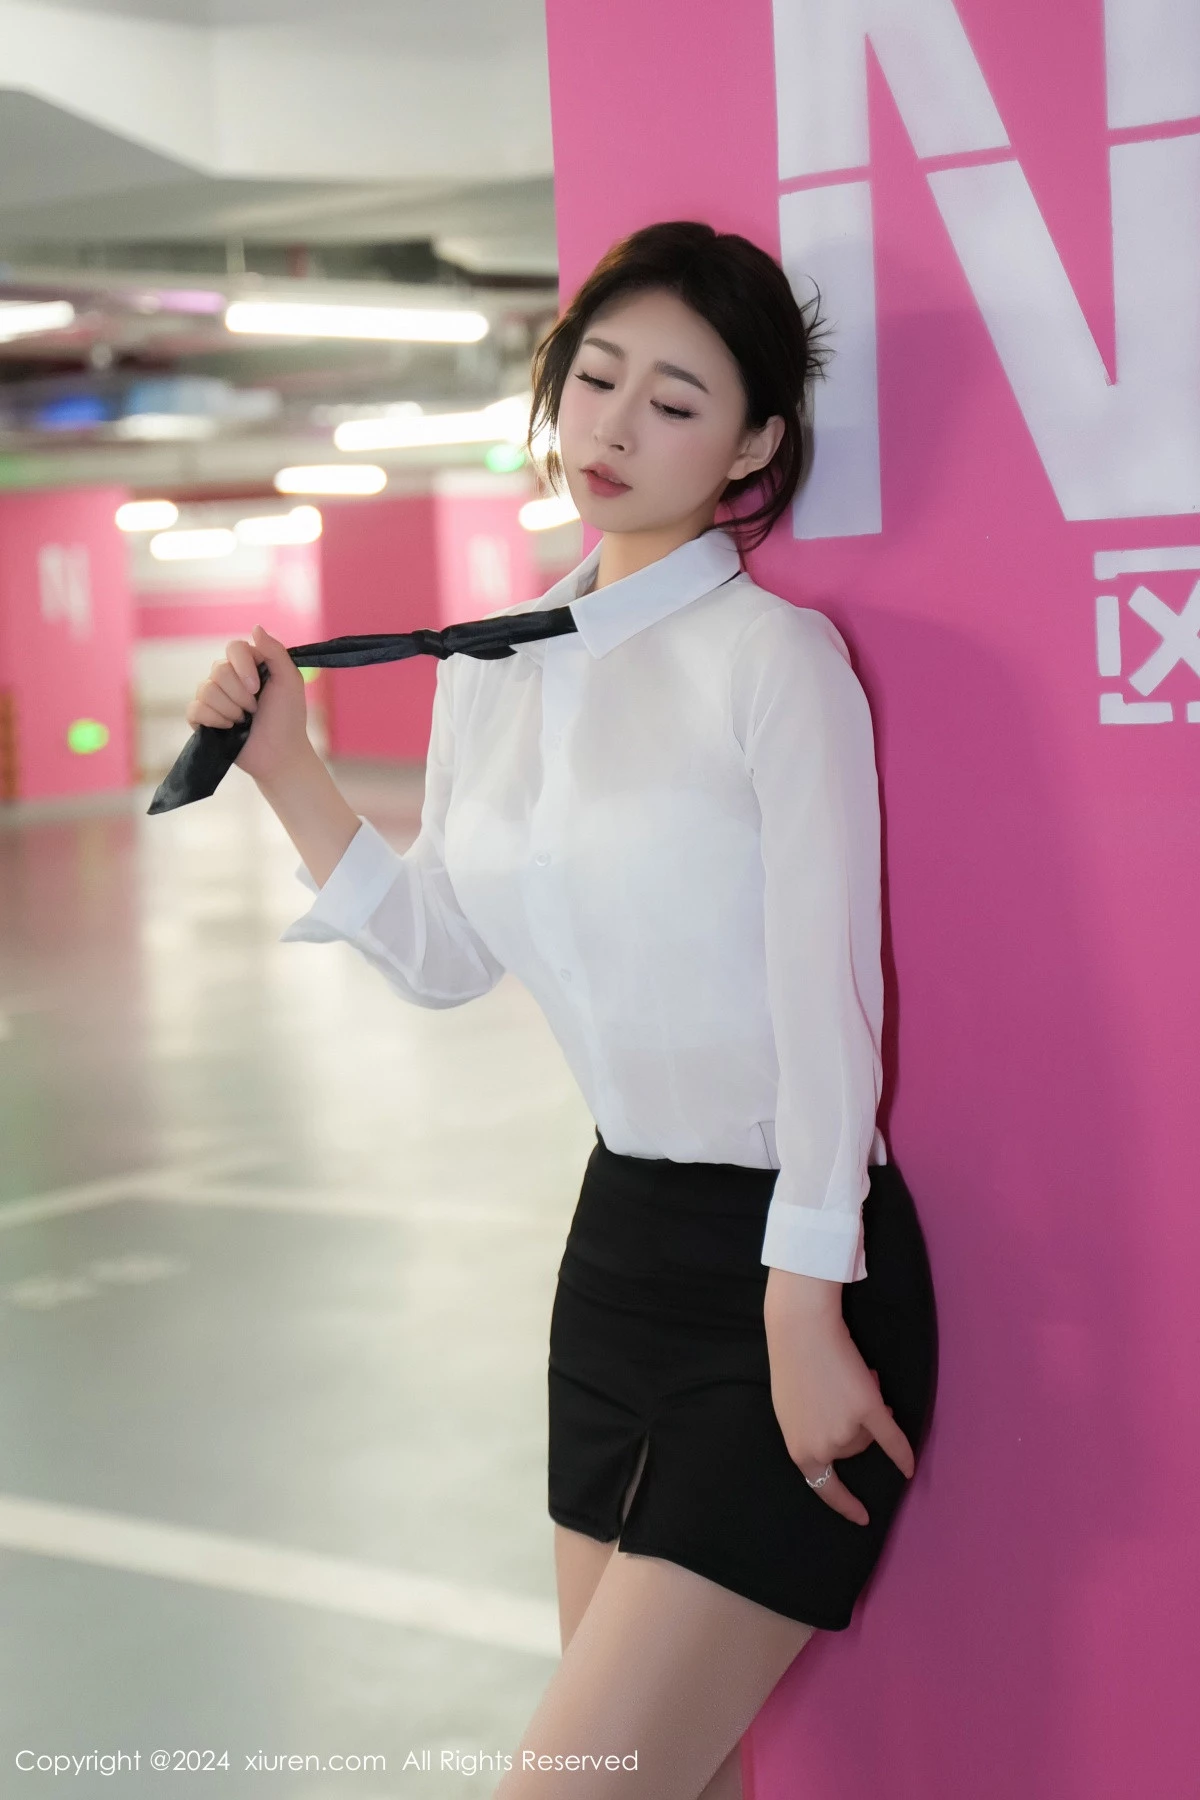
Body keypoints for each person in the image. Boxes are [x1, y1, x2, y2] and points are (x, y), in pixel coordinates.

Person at [184, 220, 938, 1800]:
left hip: (790, 1268)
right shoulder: (497, 665)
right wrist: (289, 771)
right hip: (613, 1262)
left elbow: (832, 1013)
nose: (615, 426)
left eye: (676, 401)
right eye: (597, 378)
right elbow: (447, 953)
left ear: (755, 447)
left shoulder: (774, 662)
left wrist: (803, 1309)